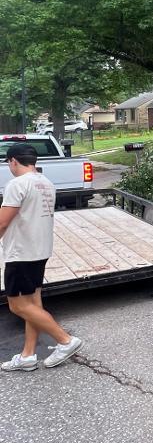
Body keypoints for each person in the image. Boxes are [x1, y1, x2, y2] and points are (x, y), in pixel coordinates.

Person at [0, 143, 82, 371]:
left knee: (18, 306)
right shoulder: (46, 182)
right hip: (40, 250)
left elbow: (2, 222)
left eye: (9, 163)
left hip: (21, 252)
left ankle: (65, 340)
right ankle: (27, 355)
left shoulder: (17, 184)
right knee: (33, 304)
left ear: (13, 161)